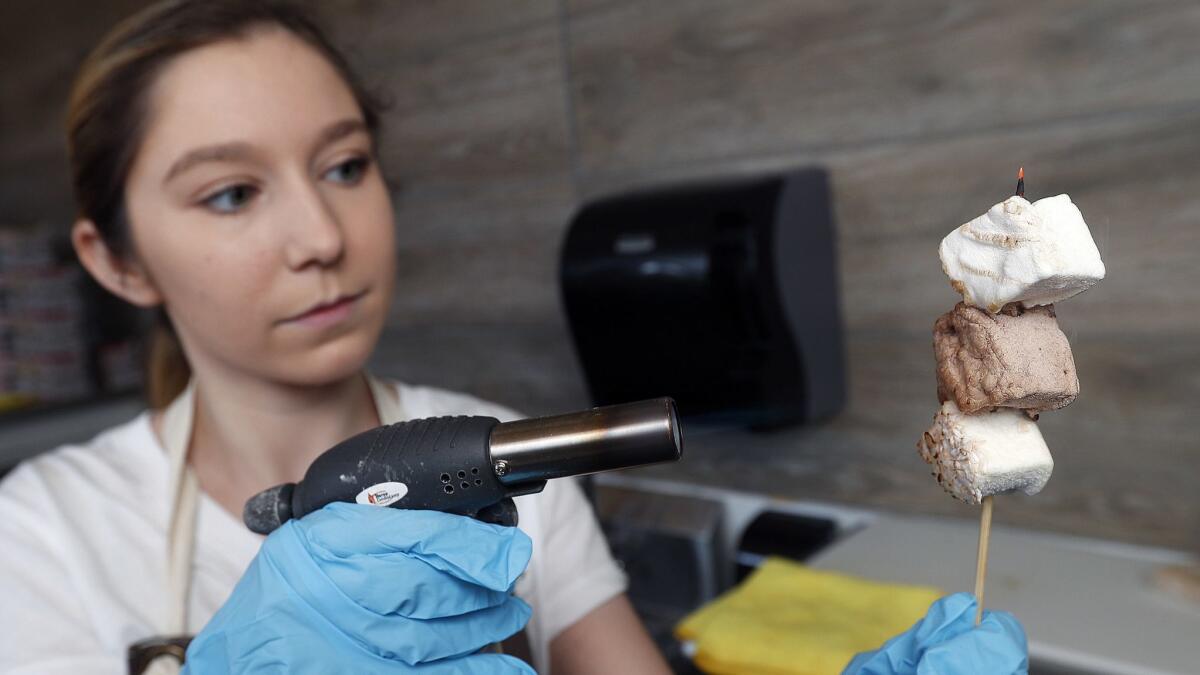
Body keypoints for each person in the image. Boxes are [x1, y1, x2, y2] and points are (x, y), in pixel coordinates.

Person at [0, 1, 1026, 673]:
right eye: (230, 193)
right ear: (115, 259)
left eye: (345, 166)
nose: (321, 236)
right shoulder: (39, 535)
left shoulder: (500, 455)